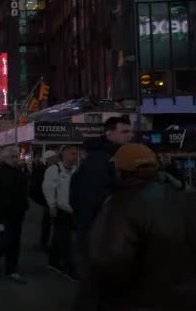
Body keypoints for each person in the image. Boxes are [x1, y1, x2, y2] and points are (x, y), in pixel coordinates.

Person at [89, 143, 196, 310]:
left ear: (120, 171)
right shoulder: (189, 201)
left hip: (147, 301)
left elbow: (110, 262)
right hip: (193, 299)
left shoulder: (120, 205)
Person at [70, 115, 133, 310]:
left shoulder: (114, 157)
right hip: (101, 234)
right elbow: (89, 201)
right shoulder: (101, 161)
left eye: (130, 131)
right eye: (124, 131)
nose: (130, 135)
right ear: (109, 133)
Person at [0, 146, 29, 284]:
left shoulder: (20, 172)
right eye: (13, 157)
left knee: (15, 242)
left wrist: (24, 206)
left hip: (18, 213)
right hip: (2, 215)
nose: (16, 159)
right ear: (4, 158)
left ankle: (12, 270)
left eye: (17, 156)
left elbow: (24, 191)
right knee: (4, 240)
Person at [42, 146, 78, 280]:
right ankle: (70, 270)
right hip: (60, 210)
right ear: (64, 155)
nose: (75, 156)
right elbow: (48, 188)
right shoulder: (54, 169)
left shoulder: (75, 170)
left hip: (72, 210)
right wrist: (52, 205)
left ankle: (53, 262)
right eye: (72, 153)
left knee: (59, 238)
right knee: (66, 241)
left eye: (76, 154)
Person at [30, 150, 59, 251]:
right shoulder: (53, 168)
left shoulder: (50, 169)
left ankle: (47, 244)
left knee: (48, 223)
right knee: (51, 223)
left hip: (49, 201)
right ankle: (51, 244)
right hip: (51, 201)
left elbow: (44, 187)